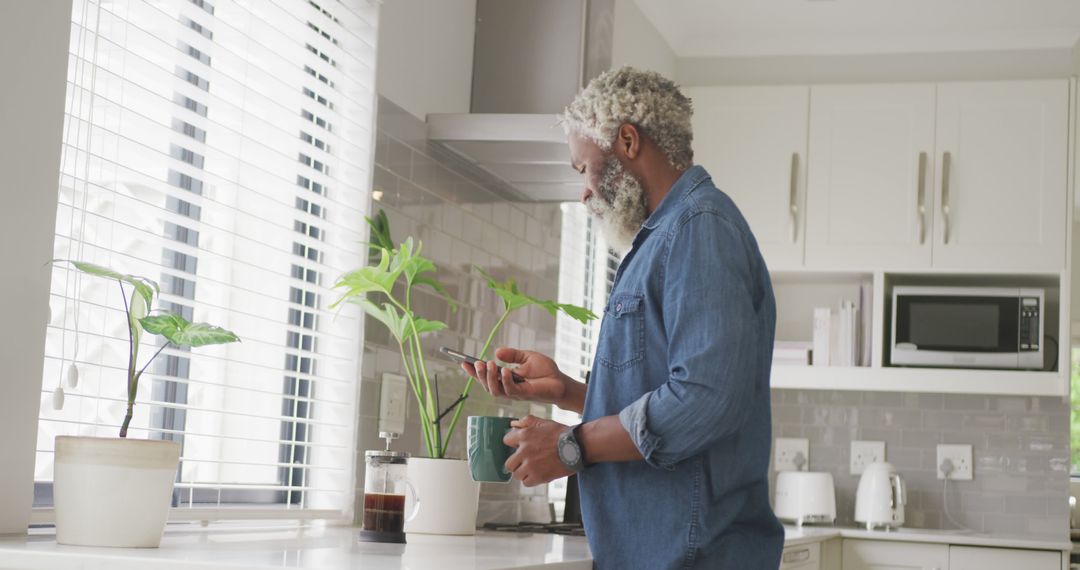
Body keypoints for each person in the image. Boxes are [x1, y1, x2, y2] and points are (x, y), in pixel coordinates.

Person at [461, 66, 783, 570]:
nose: (584, 192)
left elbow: (704, 400)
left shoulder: (700, 229)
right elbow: (665, 403)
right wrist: (566, 391)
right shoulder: (665, 238)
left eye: (584, 168)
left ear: (628, 141)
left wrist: (570, 446)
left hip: (693, 557)